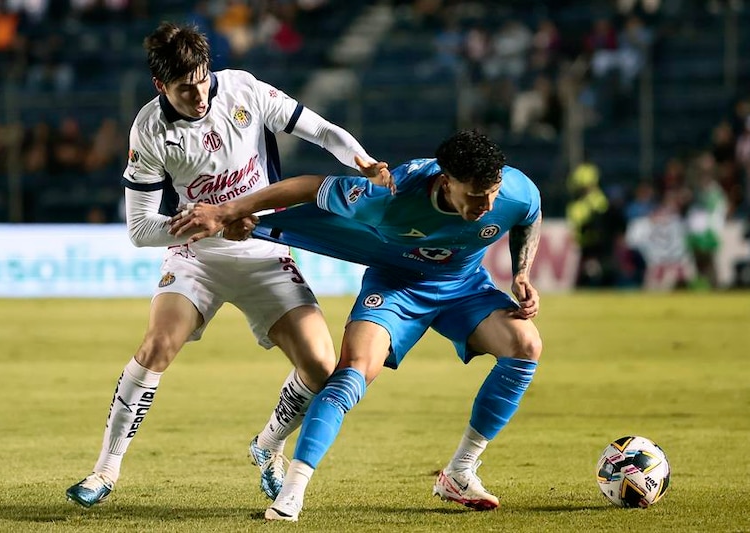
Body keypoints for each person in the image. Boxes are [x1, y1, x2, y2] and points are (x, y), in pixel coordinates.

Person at [65, 21, 390, 508]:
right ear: (160, 87)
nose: (198, 96)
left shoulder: (243, 89)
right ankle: (104, 471)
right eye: (183, 89)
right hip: (197, 256)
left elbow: (319, 129)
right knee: (157, 345)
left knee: (323, 370)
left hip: (264, 248)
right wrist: (211, 225)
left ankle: (268, 445)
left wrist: (361, 161)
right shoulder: (148, 131)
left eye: (201, 80)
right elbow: (139, 230)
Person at [170, 130, 543, 521]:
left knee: (526, 346)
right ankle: (293, 491)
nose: (487, 204)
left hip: (463, 287)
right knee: (352, 374)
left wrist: (521, 273)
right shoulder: (391, 196)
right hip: (397, 285)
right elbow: (310, 187)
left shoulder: (516, 191)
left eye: (492, 193)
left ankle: (460, 471)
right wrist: (227, 212)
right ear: (446, 182)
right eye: (475, 195)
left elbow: (529, 217)